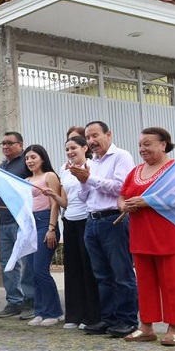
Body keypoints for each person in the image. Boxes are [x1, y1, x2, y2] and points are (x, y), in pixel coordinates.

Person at [118, 127, 175, 346]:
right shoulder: (136, 171)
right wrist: (124, 205)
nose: (142, 149)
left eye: (147, 144)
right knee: (145, 284)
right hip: (141, 236)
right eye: (140, 144)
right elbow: (122, 195)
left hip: (168, 236)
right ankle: (146, 326)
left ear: (163, 144)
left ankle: (174, 328)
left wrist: (147, 202)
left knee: (171, 284)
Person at [69, 121, 139, 337]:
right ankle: (107, 319)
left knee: (121, 273)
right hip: (92, 221)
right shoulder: (93, 162)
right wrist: (83, 182)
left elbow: (122, 187)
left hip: (113, 221)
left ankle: (127, 320)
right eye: (88, 138)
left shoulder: (121, 157)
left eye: (95, 136)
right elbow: (83, 196)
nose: (91, 141)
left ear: (108, 134)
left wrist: (90, 179)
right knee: (101, 275)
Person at [52, 132, 101, 330]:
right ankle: (74, 315)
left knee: (88, 269)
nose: (70, 152)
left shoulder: (91, 168)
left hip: (86, 220)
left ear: (84, 149)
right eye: (67, 149)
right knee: (72, 269)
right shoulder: (65, 171)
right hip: (70, 221)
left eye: (73, 148)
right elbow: (65, 202)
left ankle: (91, 316)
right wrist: (53, 196)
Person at [0, 132, 36, 320]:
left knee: (26, 263)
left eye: (10, 143)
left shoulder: (25, 163)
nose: (5, 146)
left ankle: (30, 301)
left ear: (20, 144)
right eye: (3, 143)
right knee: (7, 262)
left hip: (22, 221)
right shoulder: (2, 166)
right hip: (3, 221)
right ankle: (14, 301)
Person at [23, 144, 64, 326]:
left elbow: (55, 203)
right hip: (30, 224)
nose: (30, 161)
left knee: (41, 269)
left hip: (45, 222)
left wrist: (51, 228)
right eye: (27, 158)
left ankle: (54, 312)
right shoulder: (26, 179)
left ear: (42, 158)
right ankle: (40, 311)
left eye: (33, 157)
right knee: (33, 271)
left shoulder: (50, 176)